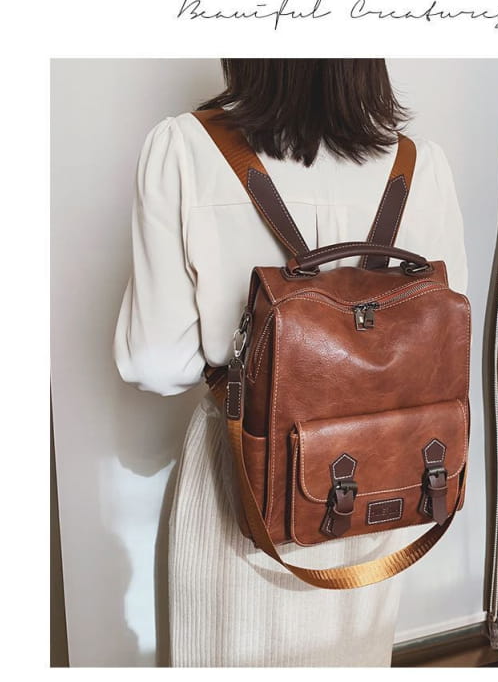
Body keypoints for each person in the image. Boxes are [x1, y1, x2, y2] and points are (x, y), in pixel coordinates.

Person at [113, 58, 468, 667]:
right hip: (379, 477)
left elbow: (156, 363)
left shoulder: (184, 148)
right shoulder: (421, 163)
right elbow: (444, 335)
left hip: (244, 473)